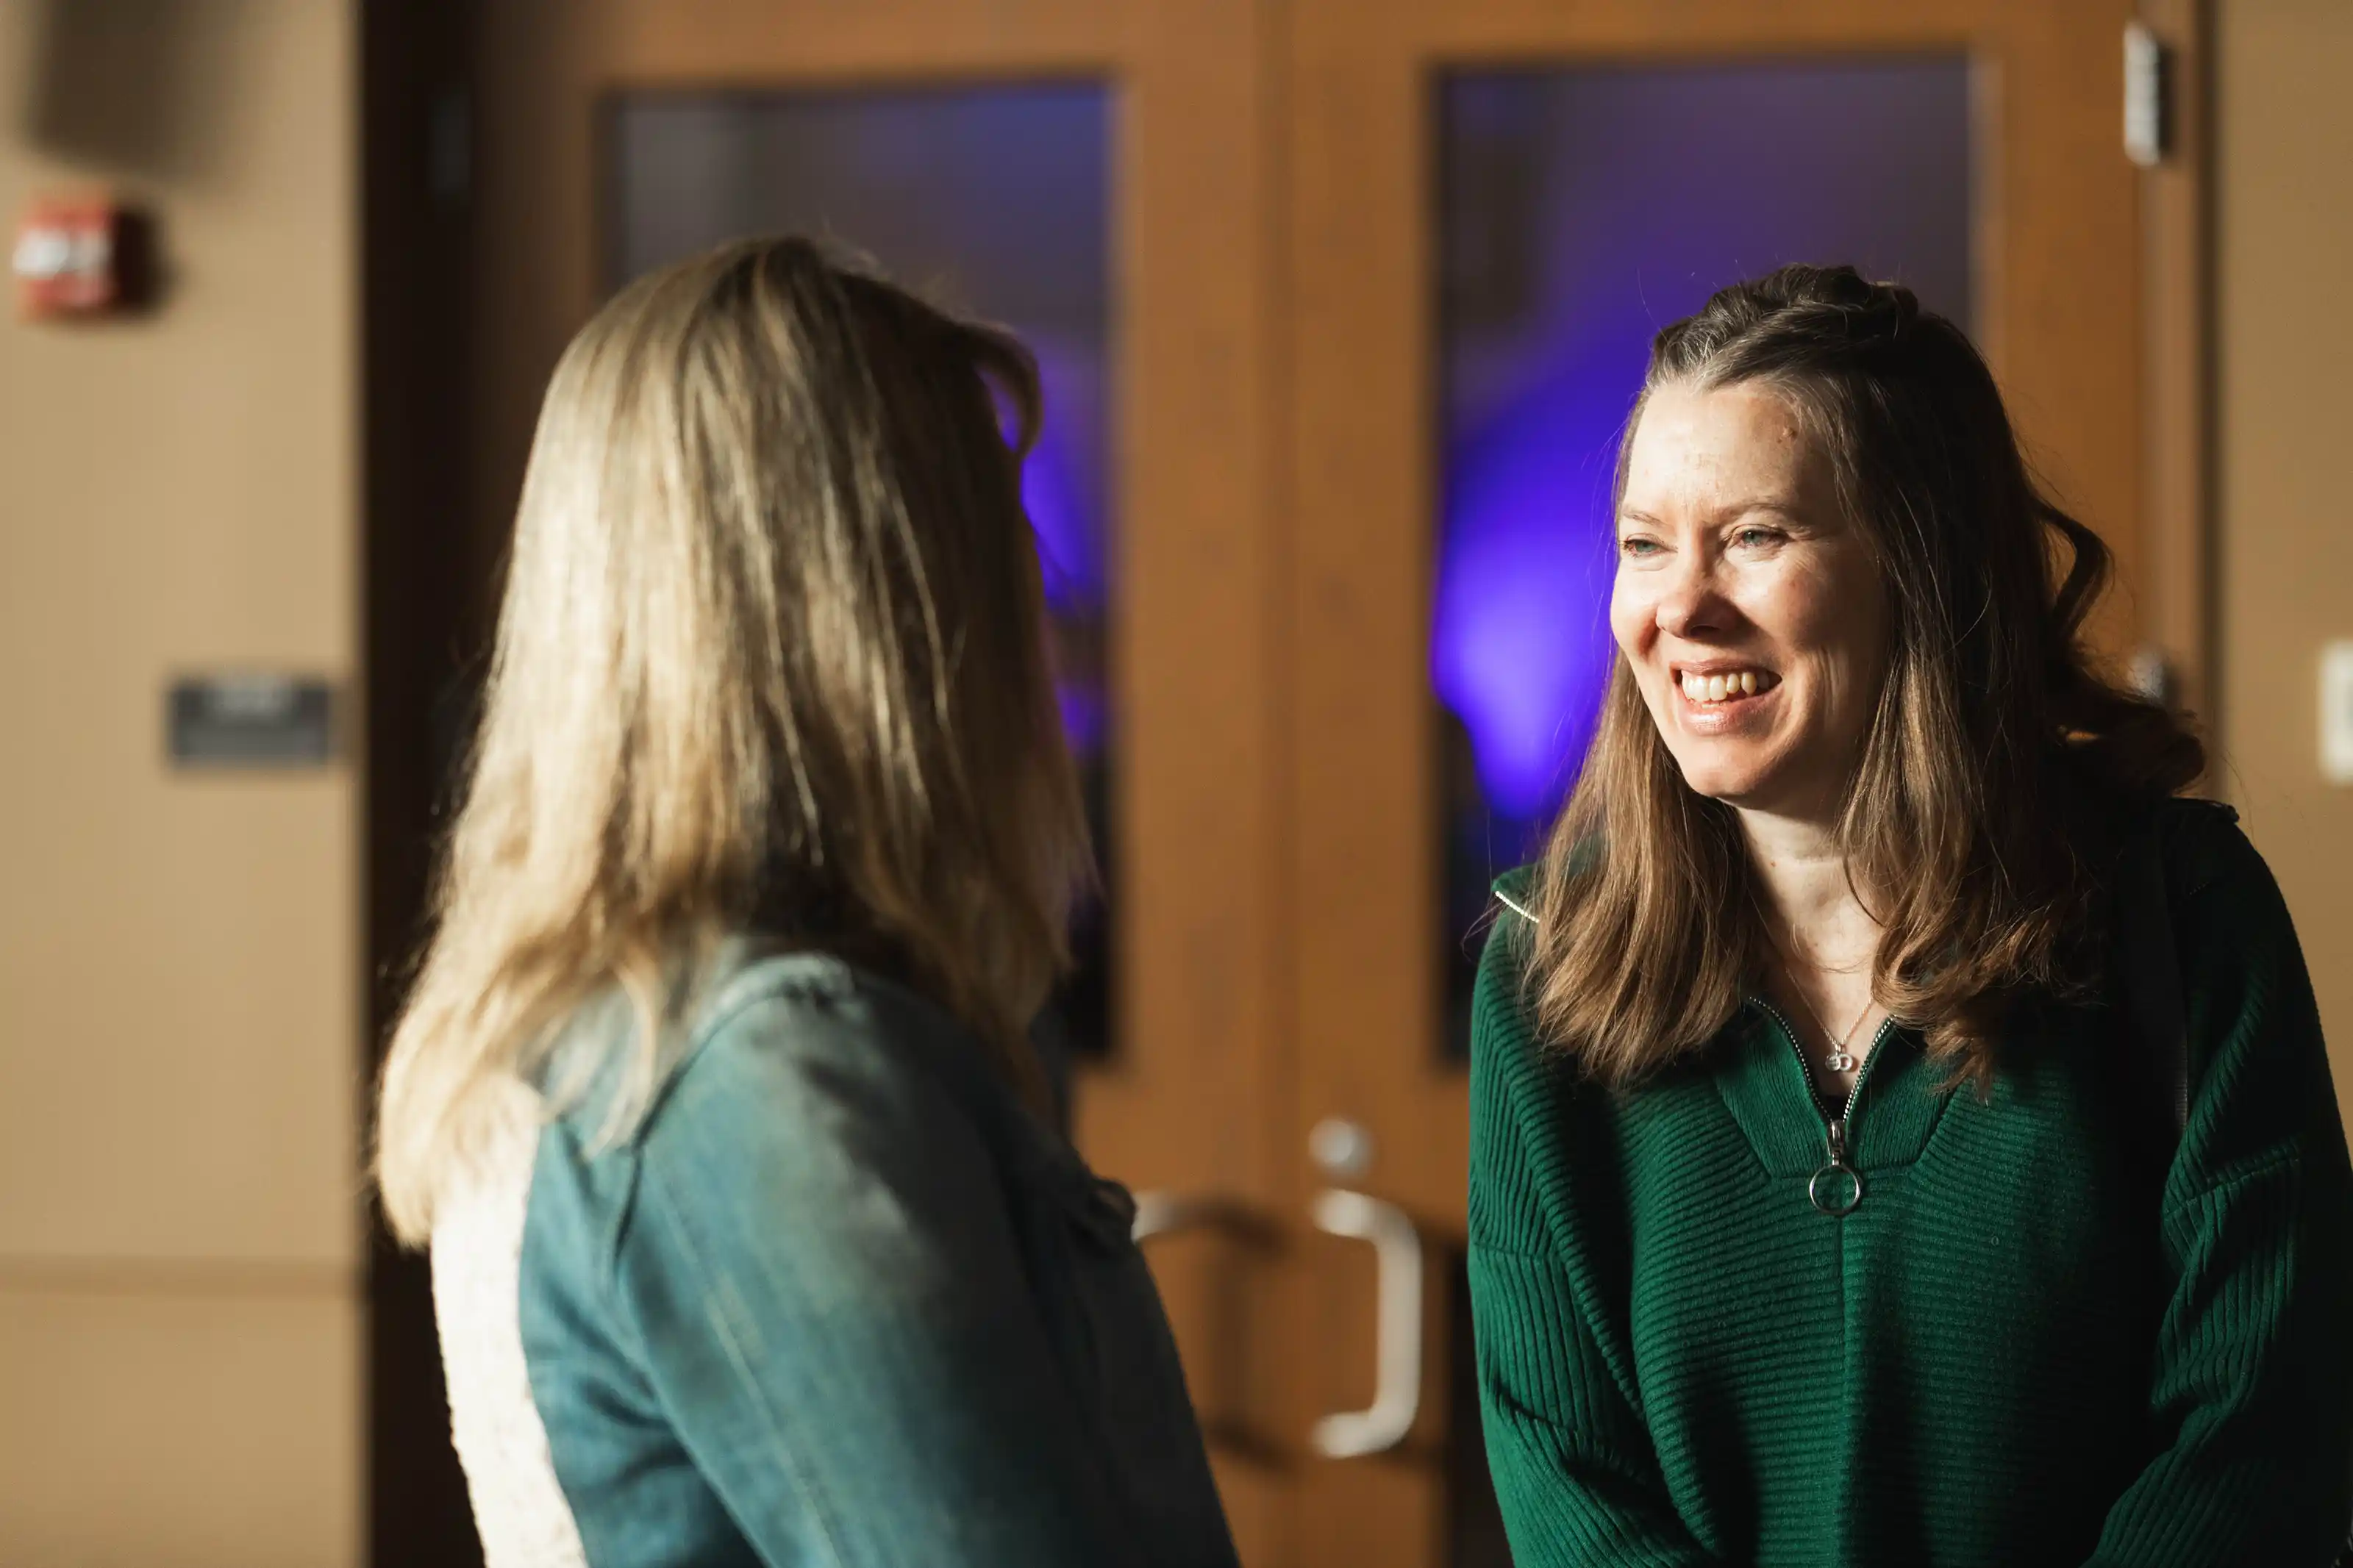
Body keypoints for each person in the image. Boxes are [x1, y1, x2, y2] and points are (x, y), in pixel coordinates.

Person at [1468, 263, 2353, 1567]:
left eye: (1756, 536)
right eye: (1646, 542)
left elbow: (2262, 1437)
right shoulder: (1544, 975)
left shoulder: (2184, 915)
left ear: (1922, 569)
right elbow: (1569, 1488)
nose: (1679, 606)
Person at [373, 237, 1240, 1568]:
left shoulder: (628, 1024)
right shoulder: (764, 1074)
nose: (1039, 622)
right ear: (890, 620)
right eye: (1002, 552)